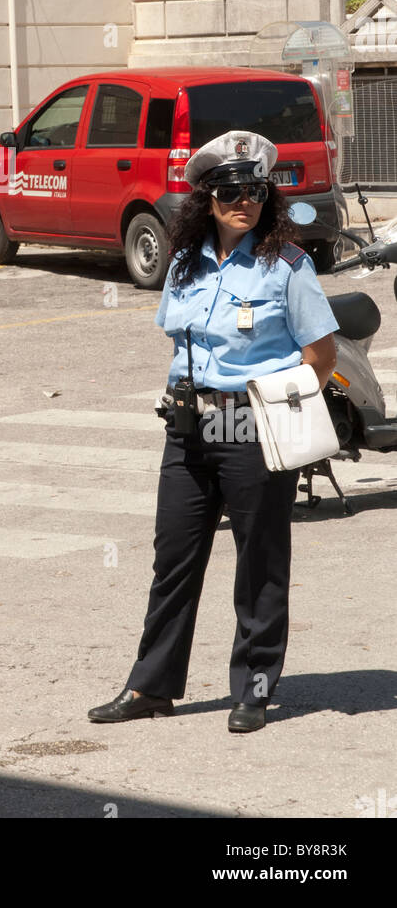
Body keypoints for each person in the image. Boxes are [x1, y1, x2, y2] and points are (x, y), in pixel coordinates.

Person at [88, 130, 339, 733]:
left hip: (252, 426)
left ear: (266, 197)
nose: (243, 200)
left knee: (259, 561)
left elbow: (321, 354)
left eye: (254, 190)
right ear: (207, 197)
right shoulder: (184, 261)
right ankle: (151, 686)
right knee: (173, 557)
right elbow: (181, 343)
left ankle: (253, 688)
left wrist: (273, 398)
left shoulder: (286, 264)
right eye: (229, 190)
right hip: (187, 426)